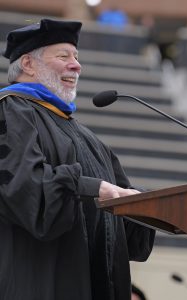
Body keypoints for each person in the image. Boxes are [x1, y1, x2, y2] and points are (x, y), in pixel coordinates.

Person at [0, 18, 155, 300]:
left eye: (76, 57)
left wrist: (149, 205)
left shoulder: (88, 138)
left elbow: (125, 220)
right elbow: (27, 193)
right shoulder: (11, 113)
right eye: (64, 56)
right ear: (28, 64)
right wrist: (91, 188)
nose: (76, 65)